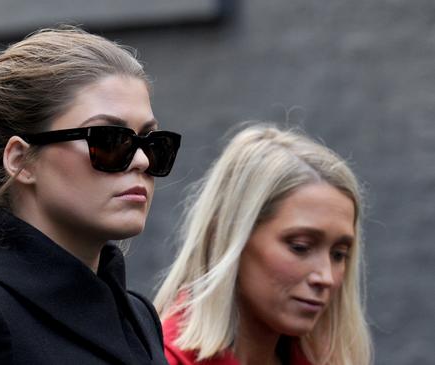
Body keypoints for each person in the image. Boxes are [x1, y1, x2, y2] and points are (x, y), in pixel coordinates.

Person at [0, 26, 180, 364]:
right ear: (21, 160)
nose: (141, 160)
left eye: (154, 143)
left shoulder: (138, 317)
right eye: (109, 140)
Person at [154, 124, 372, 365]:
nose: (326, 277)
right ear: (225, 237)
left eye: (339, 254)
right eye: (300, 247)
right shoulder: (160, 358)